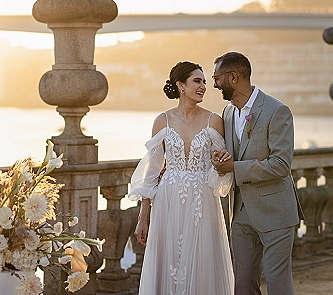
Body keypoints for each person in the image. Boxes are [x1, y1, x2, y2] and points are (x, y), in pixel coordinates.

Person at [129, 61, 234, 295]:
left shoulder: (213, 121)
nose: (203, 86)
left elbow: (221, 168)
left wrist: (220, 164)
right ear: (180, 85)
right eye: (197, 81)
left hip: (202, 201)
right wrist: (143, 217)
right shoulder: (162, 121)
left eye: (205, 82)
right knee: (168, 261)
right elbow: (151, 173)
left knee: (202, 259)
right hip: (167, 200)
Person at [211, 52, 304, 295]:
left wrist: (235, 168)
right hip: (240, 213)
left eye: (217, 77)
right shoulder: (228, 113)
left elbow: (281, 164)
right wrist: (221, 159)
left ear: (233, 77)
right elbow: (233, 153)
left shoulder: (277, 111)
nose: (214, 84)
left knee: (277, 284)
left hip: (275, 211)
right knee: (242, 285)